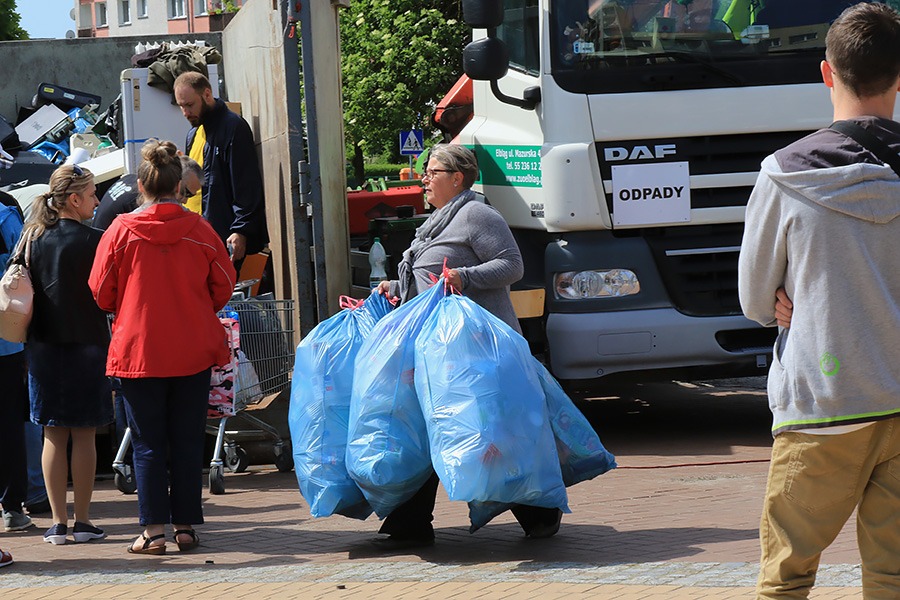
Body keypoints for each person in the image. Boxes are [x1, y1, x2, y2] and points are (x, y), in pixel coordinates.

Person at [737, 3, 900, 597]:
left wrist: (785, 300)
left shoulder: (784, 173)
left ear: (827, 72)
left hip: (823, 403)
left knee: (787, 574)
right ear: (899, 76)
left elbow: (755, 297)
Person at [373, 144, 562, 548]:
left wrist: (464, 276)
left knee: (486, 434)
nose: (424, 177)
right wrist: (394, 287)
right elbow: (424, 278)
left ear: (457, 178)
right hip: (434, 349)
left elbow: (513, 265)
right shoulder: (436, 222)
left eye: (432, 171)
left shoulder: (477, 214)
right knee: (428, 426)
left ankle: (539, 512)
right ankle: (410, 523)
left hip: (475, 351)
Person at [89, 140, 236, 555]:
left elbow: (101, 292)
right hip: (191, 347)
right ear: (179, 187)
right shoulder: (201, 230)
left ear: (141, 185)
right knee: (188, 439)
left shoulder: (120, 231)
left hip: (139, 350)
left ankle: (153, 531)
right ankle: (185, 526)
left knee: (147, 441)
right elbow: (223, 285)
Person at [24, 164, 111, 545]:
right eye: (92, 193)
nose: (97, 199)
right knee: (85, 434)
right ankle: (84, 520)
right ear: (73, 199)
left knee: (52, 434)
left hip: (42, 346)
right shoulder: (97, 239)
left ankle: (58, 522)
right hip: (88, 345)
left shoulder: (32, 238)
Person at [172, 71, 268, 270]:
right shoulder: (194, 133)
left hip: (223, 239)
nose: (185, 112)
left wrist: (241, 230)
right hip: (196, 236)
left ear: (207, 95)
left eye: (189, 105)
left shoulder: (233, 127)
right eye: (181, 106)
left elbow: (246, 184)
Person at [0, 198, 34, 534]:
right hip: (5, 338)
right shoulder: (5, 216)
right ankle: (12, 507)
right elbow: (24, 270)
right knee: (9, 426)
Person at [92, 156, 203, 231]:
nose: (185, 200)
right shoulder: (141, 200)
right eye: (186, 193)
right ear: (176, 184)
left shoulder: (131, 178)